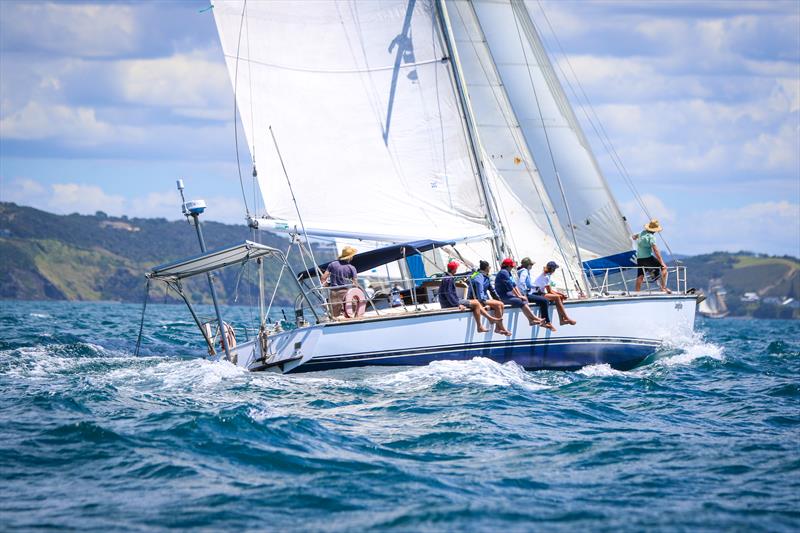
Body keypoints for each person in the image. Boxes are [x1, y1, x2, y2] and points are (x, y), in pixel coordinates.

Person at [439, 261, 502, 333]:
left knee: (476, 302)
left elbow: (450, 294)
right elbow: (449, 294)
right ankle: (480, 326)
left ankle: (489, 319)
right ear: (454, 269)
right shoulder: (448, 279)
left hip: (451, 301)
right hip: (450, 303)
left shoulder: (447, 277)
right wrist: (458, 304)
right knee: (476, 303)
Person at [495, 258, 544, 327]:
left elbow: (514, 285)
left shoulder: (508, 272)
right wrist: (518, 296)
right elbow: (510, 286)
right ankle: (534, 317)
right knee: (519, 300)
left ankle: (531, 320)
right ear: (508, 266)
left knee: (523, 299)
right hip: (503, 297)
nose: (512, 268)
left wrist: (520, 295)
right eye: (511, 266)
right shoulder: (503, 272)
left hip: (508, 295)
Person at [469, 260, 512, 336]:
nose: (490, 268)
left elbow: (492, 290)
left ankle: (498, 328)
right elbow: (479, 287)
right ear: (486, 268)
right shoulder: (479, 276)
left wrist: (498, 299)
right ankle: (501, 328)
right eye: (489, 267)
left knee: (501, 303)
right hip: (478, 299)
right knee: (499, 305)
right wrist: (483, 300)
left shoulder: (486, 277)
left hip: (483, 298)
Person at [632, 219, 671, 293]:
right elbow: (656, 251)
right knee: (664, 269)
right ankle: (663, 288)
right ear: (655, 230)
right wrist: (662, 262)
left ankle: (637, 292)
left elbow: (634, 237)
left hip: (639, 258)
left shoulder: (642, 233)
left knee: (640, 275)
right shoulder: (651, 237)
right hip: (648, 258)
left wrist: (636, 237)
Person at [532, 261, 577, 326]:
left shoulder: (547, 275)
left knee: (559, 297)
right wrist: (560, 295)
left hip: (539, 293)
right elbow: (549, 291)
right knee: (557, 297)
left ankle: (562, 320)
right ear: (553, 269)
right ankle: (567, 318)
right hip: (536, 294)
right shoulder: (546, 276)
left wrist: (561, 295)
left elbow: (550, 290)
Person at [517, 257, 556, 331]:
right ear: (528, 265)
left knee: (543, 300)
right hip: (524, 295)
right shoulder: (524, 272)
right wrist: (524, 293)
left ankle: (542, 320)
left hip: (525, 294)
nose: (532, 266)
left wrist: (535, 286)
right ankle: (546, 322)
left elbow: (528, 284)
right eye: (531, 265)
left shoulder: (523, 271)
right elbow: (522, 283)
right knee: (544, 301)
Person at [320, 246, 358, 318]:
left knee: (334, 316)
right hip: (346, 292)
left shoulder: (332, 264)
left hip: (334, 293)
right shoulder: (352, 268)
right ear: (350, 257)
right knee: (350, 313)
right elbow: (355, 284)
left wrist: (327, 285)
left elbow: (323, 278)